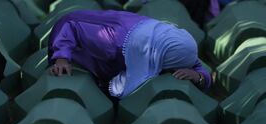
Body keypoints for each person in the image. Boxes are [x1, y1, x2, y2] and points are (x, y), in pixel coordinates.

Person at [48, 10, 212, 99]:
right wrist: (62, 57)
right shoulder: (110, 41)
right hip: (83, 51)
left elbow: (196, 66)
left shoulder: (173, 46)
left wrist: (198, 76)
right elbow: (70, 23)